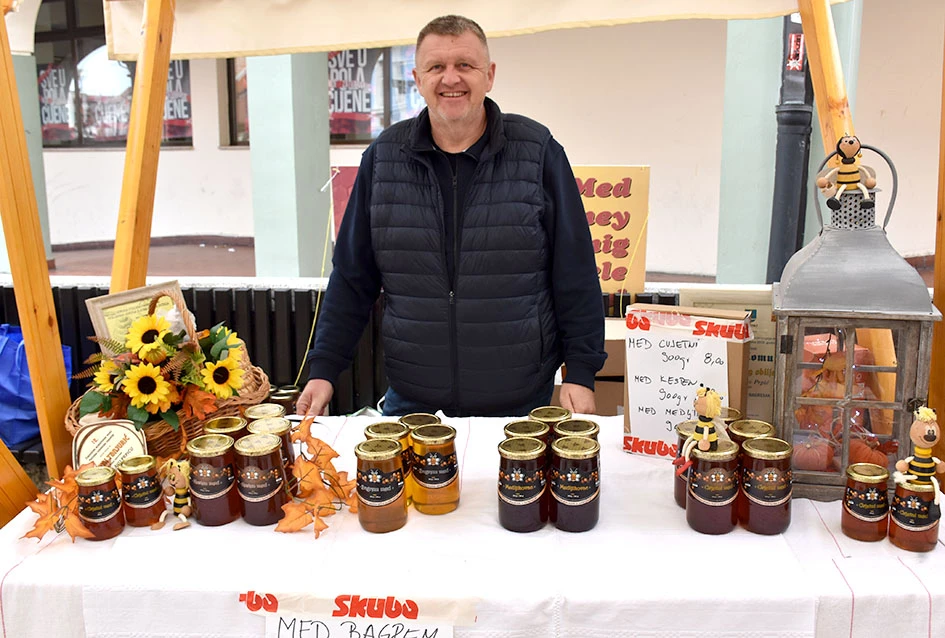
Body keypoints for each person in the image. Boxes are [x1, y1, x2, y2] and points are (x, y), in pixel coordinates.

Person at [297, 14, 606, 418]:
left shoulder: (538, 152)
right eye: (436, 67)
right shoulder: (383, 159)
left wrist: (580, 372)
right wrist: (323, 368)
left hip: (519, 405)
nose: (451, 79)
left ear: (489, 75)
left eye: (465, 65)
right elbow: (353, 278)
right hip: (412, 403)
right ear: (417, 78)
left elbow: (575, 271)